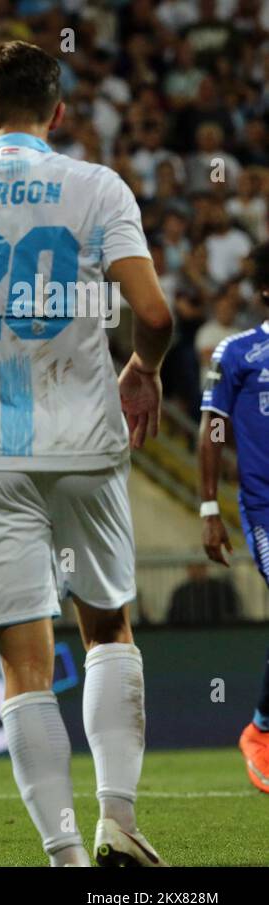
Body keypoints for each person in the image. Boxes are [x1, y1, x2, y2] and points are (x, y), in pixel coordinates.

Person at [0, 42, 173, 867]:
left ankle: (65, 858)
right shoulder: (96, 188)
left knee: (24, 662)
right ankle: (117, 819)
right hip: (86, 446)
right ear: (57, 113)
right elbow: (154, 316)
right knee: (109, 627)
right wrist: (143, 370)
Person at [197, 241, 269, 794]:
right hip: (264, 508)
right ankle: (261, 731)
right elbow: (213, 429)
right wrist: (208, 508)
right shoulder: (237, 353)